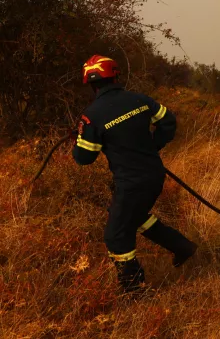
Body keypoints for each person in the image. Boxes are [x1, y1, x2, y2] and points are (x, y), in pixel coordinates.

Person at [72, 55, 197, 294]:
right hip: (154, 176)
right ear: (116, 75)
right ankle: (182, 247)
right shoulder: (139, 100)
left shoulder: (93, 115)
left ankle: (135, 289)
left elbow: (84, 158)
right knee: (135, 217)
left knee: (116, 236)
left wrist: (81, 137)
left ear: (90, 82)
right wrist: (153, 145)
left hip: (131, 183)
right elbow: (168, 121)